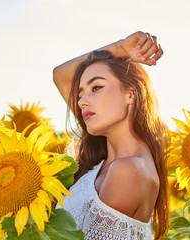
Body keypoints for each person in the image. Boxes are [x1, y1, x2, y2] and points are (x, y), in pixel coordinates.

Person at [54, 31, 168, 240]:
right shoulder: (106, 162)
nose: (81, 102)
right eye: (80, 94)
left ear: (131, 94)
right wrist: (120, 48)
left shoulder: (128, 170)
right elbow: (60, 74)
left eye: (96, 87)